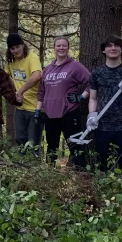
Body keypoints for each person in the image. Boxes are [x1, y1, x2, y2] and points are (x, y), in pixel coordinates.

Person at [86, 35, 122, 170]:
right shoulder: (96, 73)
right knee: (101, 168)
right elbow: (93, 98)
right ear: (103, 50)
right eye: (109, 45)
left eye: (117, 45)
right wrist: (91, 116)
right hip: (102, 127)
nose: (113, 48)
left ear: (121, 50)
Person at [35, 37, 90, 166]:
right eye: (58, 46)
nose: (61, 48)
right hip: (49, 114)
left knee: (75, 145)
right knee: (51, 146)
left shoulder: (75, 66)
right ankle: (50, 173)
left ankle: (81, 174)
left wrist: (81, 97)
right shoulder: (47, 69)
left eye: (64, 45)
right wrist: (37, 110)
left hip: (69, 112)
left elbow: (92, 82)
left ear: (68, 48)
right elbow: (41, 92)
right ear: (54, 48)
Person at [5, 33, 43, 151]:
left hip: (35, 108)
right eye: (12, 48)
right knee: (20, 141)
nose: (16, 50)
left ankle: (34, 162)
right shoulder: (11, 61)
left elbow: (37, 76)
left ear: (23, 45)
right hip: (20, 108)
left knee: (33, 143)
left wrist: (20, 91)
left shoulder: (32, 57)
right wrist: (14, 93)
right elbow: (5, 77)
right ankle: (22, 162)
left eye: (18, 46)